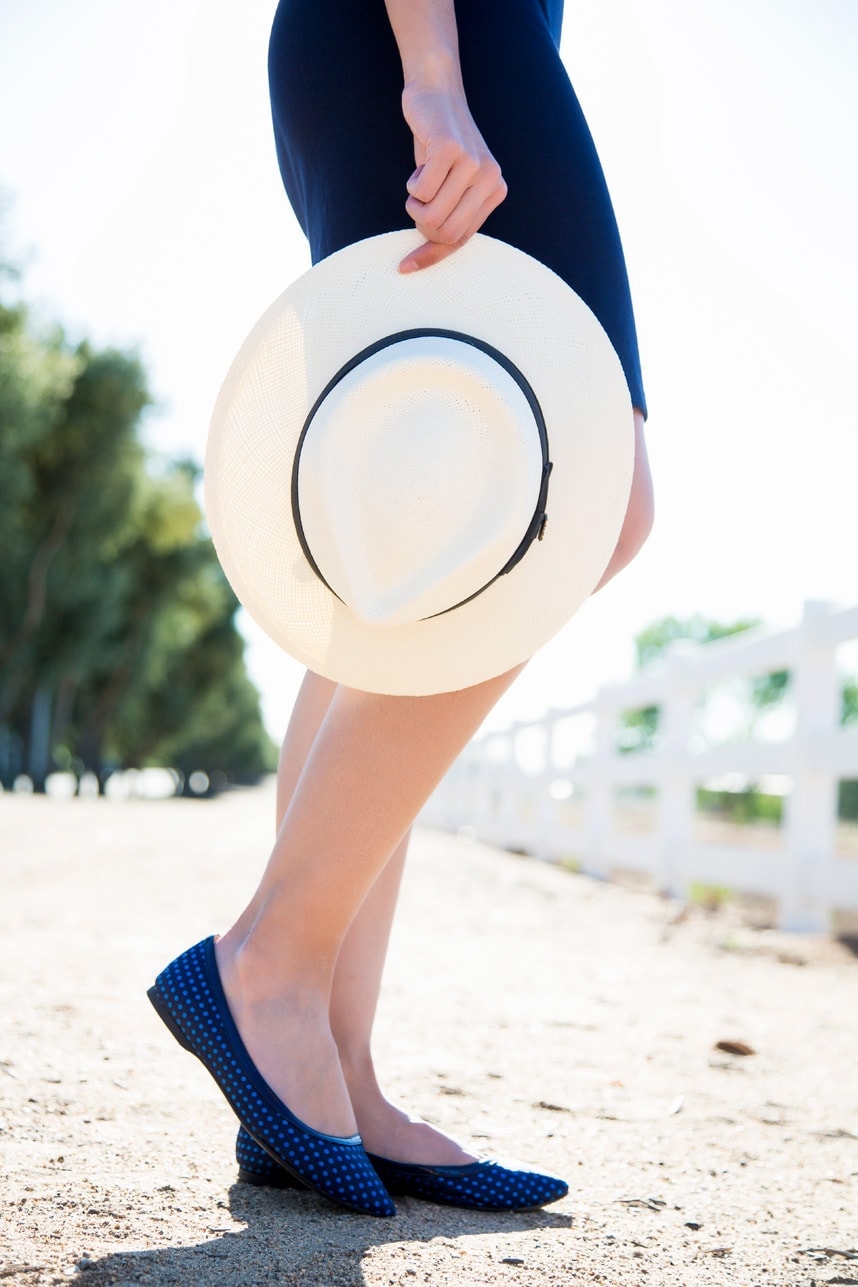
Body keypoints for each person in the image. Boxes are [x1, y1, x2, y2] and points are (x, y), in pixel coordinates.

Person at [148, 0, 653, 1216]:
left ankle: (327, 1065)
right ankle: (270, 962)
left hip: (421, 39)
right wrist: (432, 70)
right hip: (434, 35)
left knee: (407, 574)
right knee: (594, 495)